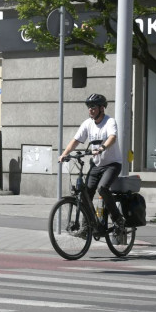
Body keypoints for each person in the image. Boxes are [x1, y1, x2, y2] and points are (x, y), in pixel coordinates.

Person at [58, 93, 125, 228]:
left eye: (93, 107)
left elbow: (112, 137)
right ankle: (88, 226)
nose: (90, 109)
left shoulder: (110, 121)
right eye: (88, 107)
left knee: (102, 188)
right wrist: (64, 154)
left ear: (102, 108)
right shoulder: (87, 124)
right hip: (96, 164)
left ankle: (118, 218)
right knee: (85, 194)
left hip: (112, 164)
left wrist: (102, 147)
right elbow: (75, 141)